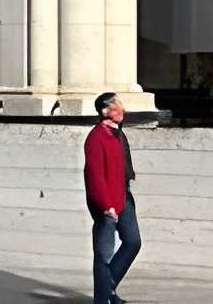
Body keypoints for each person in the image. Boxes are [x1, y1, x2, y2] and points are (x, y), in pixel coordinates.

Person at [84, 89, 142, 304]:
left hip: (124, 196)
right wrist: (106, 205)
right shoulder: (96, 137)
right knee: (103, 254)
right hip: (105, 202)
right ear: (104, 110)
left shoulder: (118, 133)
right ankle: (103, 299)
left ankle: (108, 290)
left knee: (133, 242)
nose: (121, 109)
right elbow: (95, 175)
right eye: (116, 105)